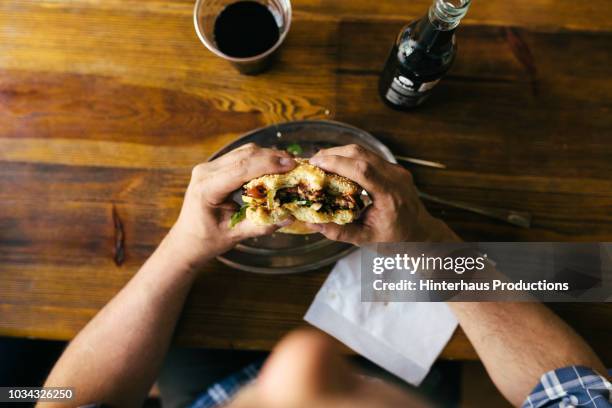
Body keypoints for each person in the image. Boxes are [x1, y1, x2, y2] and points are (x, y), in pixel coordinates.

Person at [41, 144, 611, 408]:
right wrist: (430, 241)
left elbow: (61, 402)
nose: (303, 355)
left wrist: (181, 251)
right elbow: (578, 393)